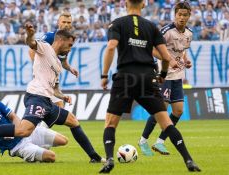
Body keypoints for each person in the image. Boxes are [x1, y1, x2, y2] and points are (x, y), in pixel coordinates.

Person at [0, 25, 104, 163]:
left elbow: (54, 89)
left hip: (47, 101)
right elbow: (30, 43)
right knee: (23, 131)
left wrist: (62, 96)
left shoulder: (56, 62)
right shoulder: (44, 48)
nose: (70, 48)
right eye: (70, 44)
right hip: (36, 97)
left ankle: (94, 157)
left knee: (73, 121)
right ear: (61, 40)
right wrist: (30, 34)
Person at [98, 0, 200, 173]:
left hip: (125, 77)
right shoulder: (151, 26)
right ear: (143, 4)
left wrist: (104, 75)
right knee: (166, 122)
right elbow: (166, 57)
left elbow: (111, 47)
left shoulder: (117, 24)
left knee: (111, 123)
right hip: (147, 77)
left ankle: (109, 160)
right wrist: (161, 75)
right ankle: (189, 160)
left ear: (126, 4)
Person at [138, 2, 193, 156]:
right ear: (175, 15)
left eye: (185, 15)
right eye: (179, 14)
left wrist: (186, 60)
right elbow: (151, 49)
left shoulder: (189, 33)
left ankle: (160, 142)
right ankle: (143, 140)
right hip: (164, 75)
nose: (182, 17)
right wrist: (168, 59)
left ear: (189, 16)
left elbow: (182, 52)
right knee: (160, 109)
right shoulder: (167, 31)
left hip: (177, 76)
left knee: (178, 110)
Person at [29, 12, 78, 108]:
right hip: (43, 79)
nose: (66, 25)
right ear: (58, 23)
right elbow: (31, 50)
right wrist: (39, 68)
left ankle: (36, 121)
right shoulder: (51, 36)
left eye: (69, 22)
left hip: (52, 78)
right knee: (59, 107)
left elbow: (63, 60)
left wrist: (70, 68)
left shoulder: (68, 39)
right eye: (64, 22)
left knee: (56, 108)